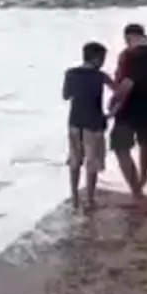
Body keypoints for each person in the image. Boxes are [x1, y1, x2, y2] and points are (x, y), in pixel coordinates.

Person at [109, 24, 147, 200]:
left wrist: (114, 103)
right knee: (145, 141)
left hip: (128, 107)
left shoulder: (129, 55)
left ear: (128, 37)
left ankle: (136, 191)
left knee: (121, 147)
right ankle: (144, 175)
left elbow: (126, 83)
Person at [62, 42, 114, 211]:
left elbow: (66, 96)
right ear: (97, 58)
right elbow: (118, 90)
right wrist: (112, 112)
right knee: (92, 163)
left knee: (75, 160)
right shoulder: (100, 76)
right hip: (94, 123)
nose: (104, 62)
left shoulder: (70, 73)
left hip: (75, 121)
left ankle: (75, 198)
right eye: (103, 58)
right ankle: (90, 199)